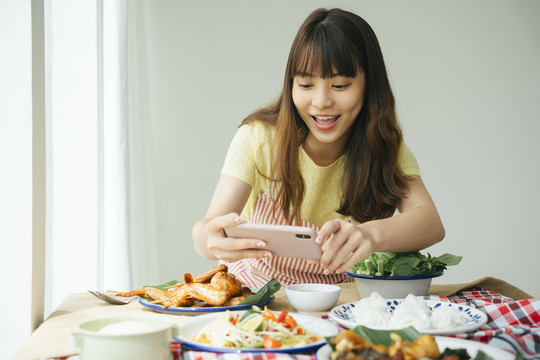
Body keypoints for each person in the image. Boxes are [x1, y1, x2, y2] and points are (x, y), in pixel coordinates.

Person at [192, 7, 445, 289]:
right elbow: (207, 231)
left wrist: (369, 235)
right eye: (306, 84)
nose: (321, 101)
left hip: (344, 297)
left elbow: (430, 223)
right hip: (258, 290)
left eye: (339, 85)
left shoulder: (384, 147)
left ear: (369, 86)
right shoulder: (258, 138)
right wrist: (209, 239)